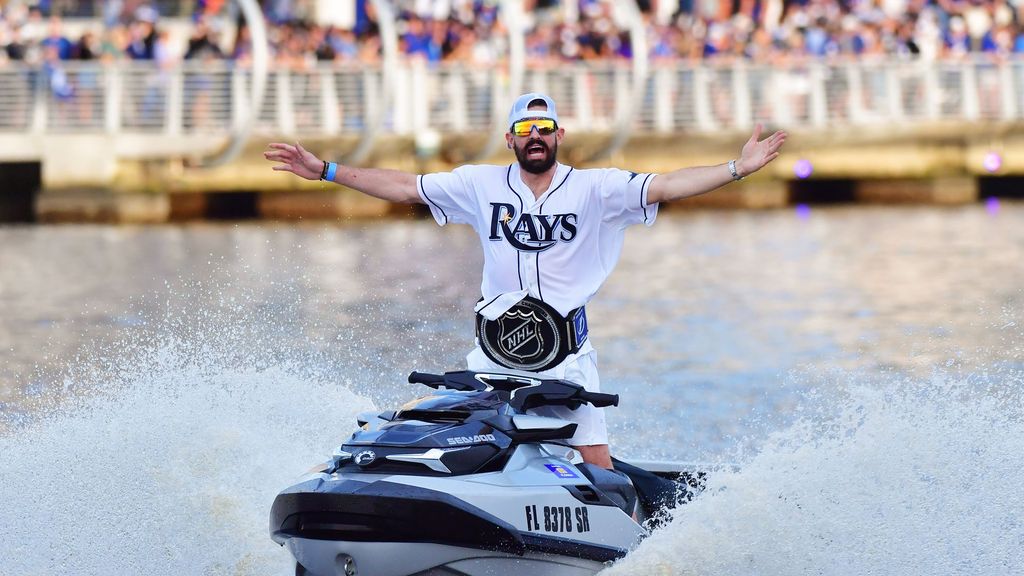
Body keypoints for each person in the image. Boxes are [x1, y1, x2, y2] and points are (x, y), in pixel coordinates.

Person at [264, 93, 787, 469]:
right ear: (510, 140)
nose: (534, 138)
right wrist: (326, 170)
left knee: (594, 457)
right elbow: (405, 187)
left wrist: (736, 169)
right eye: (523, 131)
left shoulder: (598, 190)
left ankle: (622, 540)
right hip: (495, 351)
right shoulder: (478, 184)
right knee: (469, 433)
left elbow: (669, 184)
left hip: (566, 354)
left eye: (544, 129)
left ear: (559, 136)